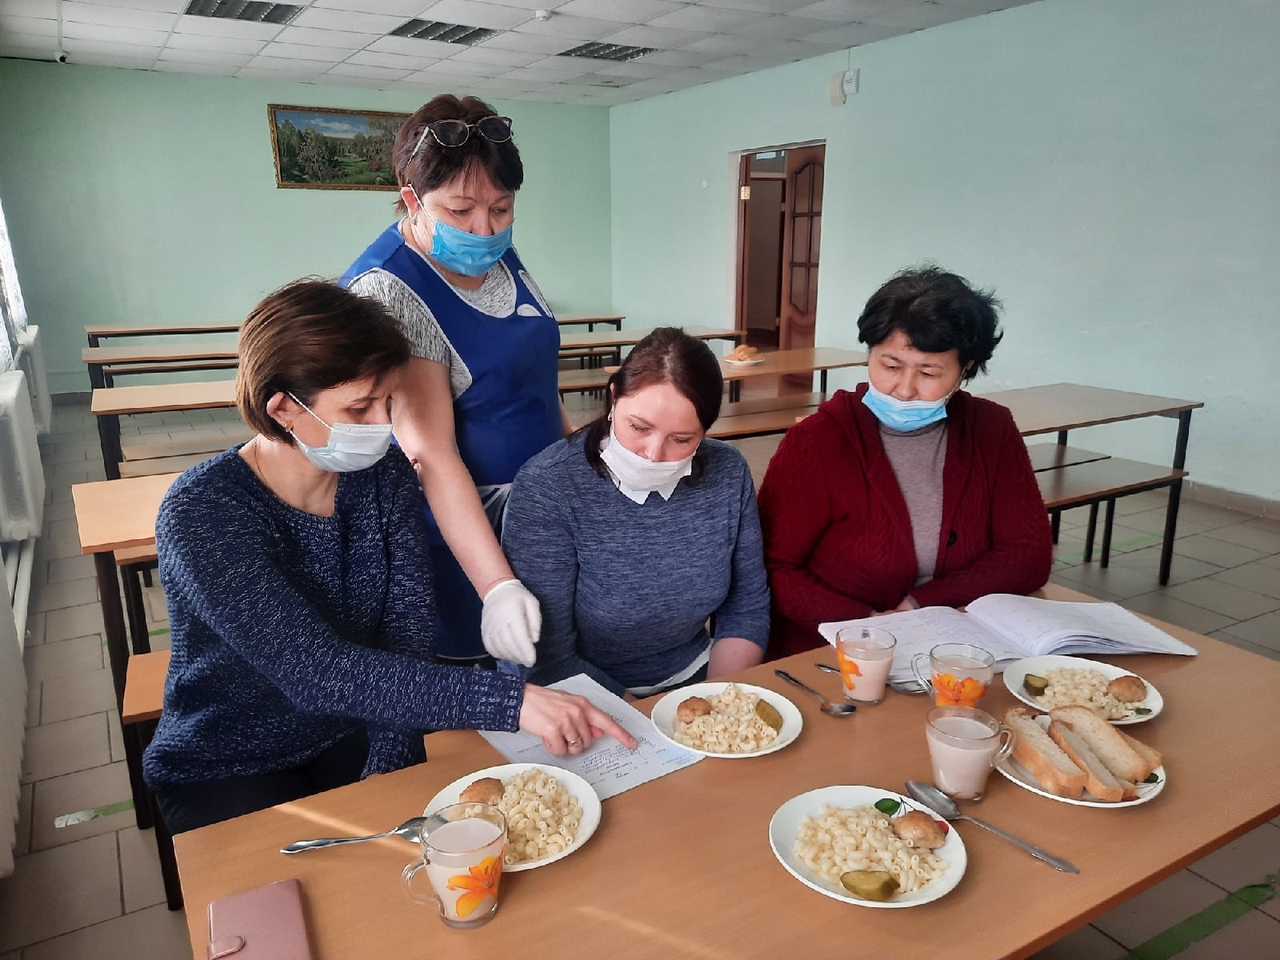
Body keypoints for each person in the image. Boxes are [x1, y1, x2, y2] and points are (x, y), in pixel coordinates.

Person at [142, 281, 634, 834]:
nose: (382, 424)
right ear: (282, 409)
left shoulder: (382, 476)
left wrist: (390, 767)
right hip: (229, 759)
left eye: (388, 402)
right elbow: (316, 671)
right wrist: (512, 702)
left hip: (354, 724)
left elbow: (407, 633)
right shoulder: (202, 511)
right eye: (359, 407)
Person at [341, 94, 563, 670]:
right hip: (464, 531)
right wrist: (496, 585)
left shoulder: (489, 250)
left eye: (502, 209)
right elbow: (431, 455)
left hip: (540, 513)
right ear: (411, 199)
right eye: (461, 211)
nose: (484, 228)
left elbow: (537, 377)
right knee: (480, 684)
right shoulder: (390, 290)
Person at [757, 266, 1053, 659]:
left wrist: (919, 604)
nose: (904, 389)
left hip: (958, 644)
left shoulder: (990, 429)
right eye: (890, 366)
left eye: (928, 372)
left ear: (965, 369)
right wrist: (869, 626)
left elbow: (1028, 554)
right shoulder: (819, 439)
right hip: (832, 649)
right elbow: (773, 568)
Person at [499, 328, 771, 698]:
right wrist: (641, 717)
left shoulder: (727, 471)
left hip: (696, 678)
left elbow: (746, 607)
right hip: (578, 694)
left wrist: (718, 700)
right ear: (613, 399)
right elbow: (548, 659)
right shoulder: (550, 486)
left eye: (682, 439)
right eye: (639, 427)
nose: (653, 454)